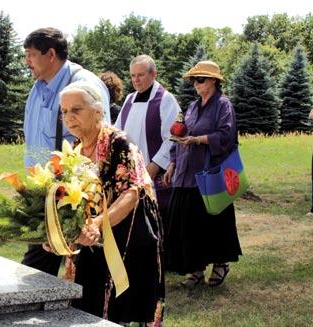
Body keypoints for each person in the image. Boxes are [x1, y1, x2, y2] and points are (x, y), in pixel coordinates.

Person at [57, 81, 164, 326]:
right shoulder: (74, 149)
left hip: (130, 236)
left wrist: (96, 223)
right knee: (90, 303)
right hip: (93, 240)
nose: (69, 117)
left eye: (76, 110)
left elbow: (131, 193)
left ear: (98, 111)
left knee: (124, 305)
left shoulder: (119, 143)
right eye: (64, 112)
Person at [21, 27, 110, 276]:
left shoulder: (84, 85)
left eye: (30, 54)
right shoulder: (36, 90)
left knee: (43, 270)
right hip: (42, 196)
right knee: (42, 266)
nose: (26, 61)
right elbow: (34, 144)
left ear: (51, 54)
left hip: (75, 200)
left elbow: (103, 143)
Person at [163, 60, 242, 287]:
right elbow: (179, 136)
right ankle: (195, 268)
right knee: (188, 224)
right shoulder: (191, 107)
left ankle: (220, 264)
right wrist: (172, 164)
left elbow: (227, 136)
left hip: (210, 174)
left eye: (200, 79)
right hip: (185, 174)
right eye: (193, 80)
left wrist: (199, 140)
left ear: (214, 81)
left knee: (213, 223)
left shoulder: (223, 105)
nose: (195, 84)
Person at [114, 54, 181, 219]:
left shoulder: (165, 100)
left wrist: (155, 165)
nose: (136, 80)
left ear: (153, 74)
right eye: (133, 75)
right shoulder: (129, 99)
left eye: (141, 75)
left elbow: (174, 137)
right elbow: (116, 132)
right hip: (130, 173)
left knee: (158, 221)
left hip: (155, 174)